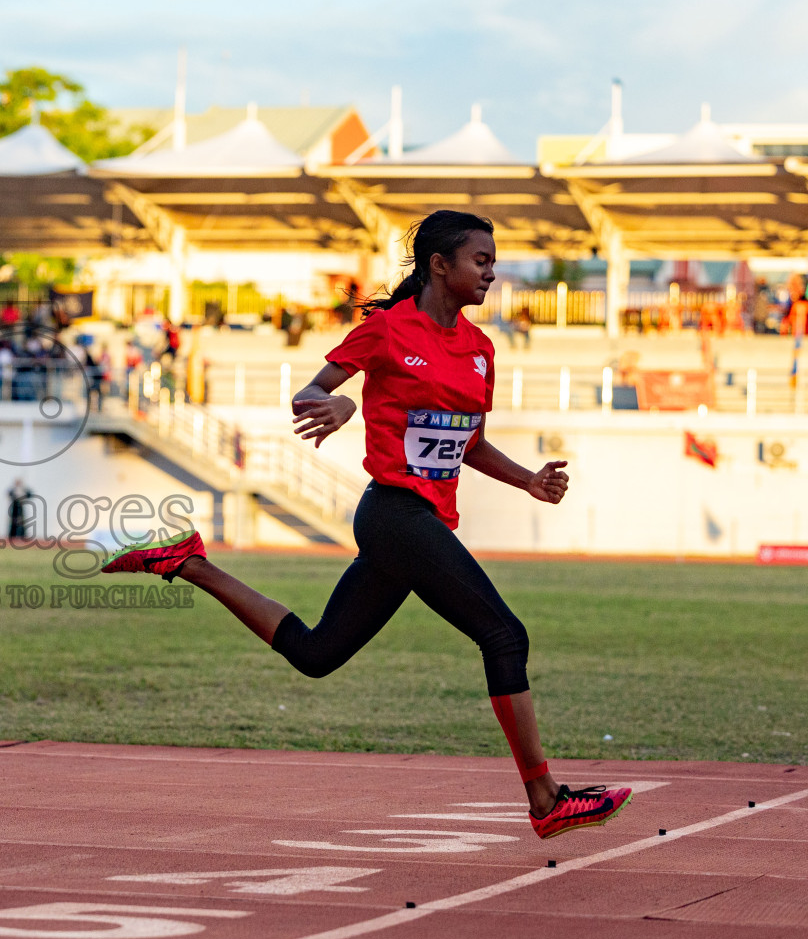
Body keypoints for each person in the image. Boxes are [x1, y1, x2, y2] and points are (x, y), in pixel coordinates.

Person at [101, 211, 632, 841]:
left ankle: (189, 562)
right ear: (441, 265)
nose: (492, 271)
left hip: (421, 522)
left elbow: (471, 442)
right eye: (481, 260)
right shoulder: (385, 331)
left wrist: (528, 481)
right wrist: (344, 401)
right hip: (392, 514)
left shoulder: (482, 351)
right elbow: (309, 394)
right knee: (504, 635)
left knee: (317, 654)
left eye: (493, 260)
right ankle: (544, 797)